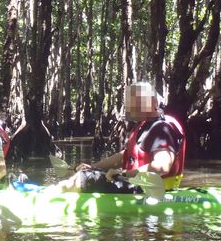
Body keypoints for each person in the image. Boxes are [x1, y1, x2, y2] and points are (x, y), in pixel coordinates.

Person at [55, 82, 185, 193]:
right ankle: (56, 190)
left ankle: (52, 195)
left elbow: (162, 166)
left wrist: (124, 174)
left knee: (82, 178)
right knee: (85, 175)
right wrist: (94, 167)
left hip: (152, 189)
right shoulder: (144, 125)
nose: (130, 108)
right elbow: (126, 155)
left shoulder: (163, 128)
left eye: (136, 103)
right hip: (137, 183)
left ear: (153, 102)